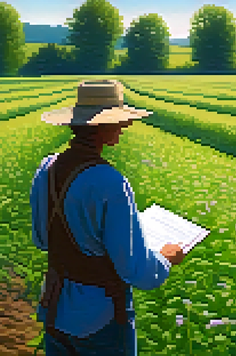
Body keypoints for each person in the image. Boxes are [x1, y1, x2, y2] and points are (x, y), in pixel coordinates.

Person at [30, 79, 185, 356]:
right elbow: (135, 271)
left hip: (55, 305)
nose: (125, 127)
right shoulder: (110, 182)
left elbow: (42, 240)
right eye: (119, 121)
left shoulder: (47, 168)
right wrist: (165, 258)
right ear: (101, 126)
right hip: (100, 318)